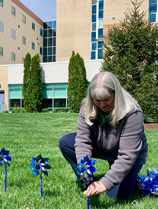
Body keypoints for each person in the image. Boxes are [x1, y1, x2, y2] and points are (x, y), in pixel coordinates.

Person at [59, 71, 148, 200]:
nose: (102, 105)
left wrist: (105, 183)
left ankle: (126, 177)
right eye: (97, 100)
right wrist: (84, 169)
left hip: (127, 155)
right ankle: (90, 181)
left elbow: (128, 155)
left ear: (116, 94)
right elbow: (83, 140)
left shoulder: (132, 112)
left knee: (114, 197)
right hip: (101, 146)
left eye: (107, 99)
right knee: (66, 142)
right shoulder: (87, 107)